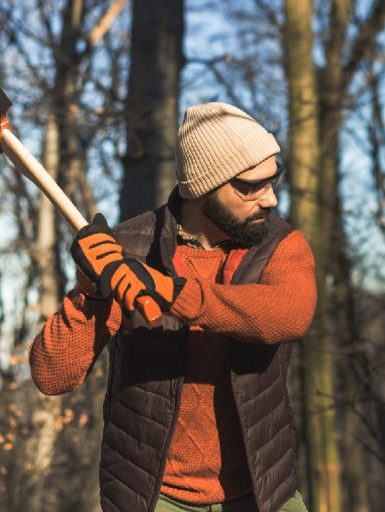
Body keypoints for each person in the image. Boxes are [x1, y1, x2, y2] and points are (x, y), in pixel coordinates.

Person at [29, 102, 316, 512]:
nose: (269, 199)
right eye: (250, 187)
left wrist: (168, 291)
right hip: (154, 498)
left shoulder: (279, 246)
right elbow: (52, 375)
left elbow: (288, 314)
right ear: (203, 188)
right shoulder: (128, 252)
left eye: (274, 180)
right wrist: (90, 292)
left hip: (265, 492)